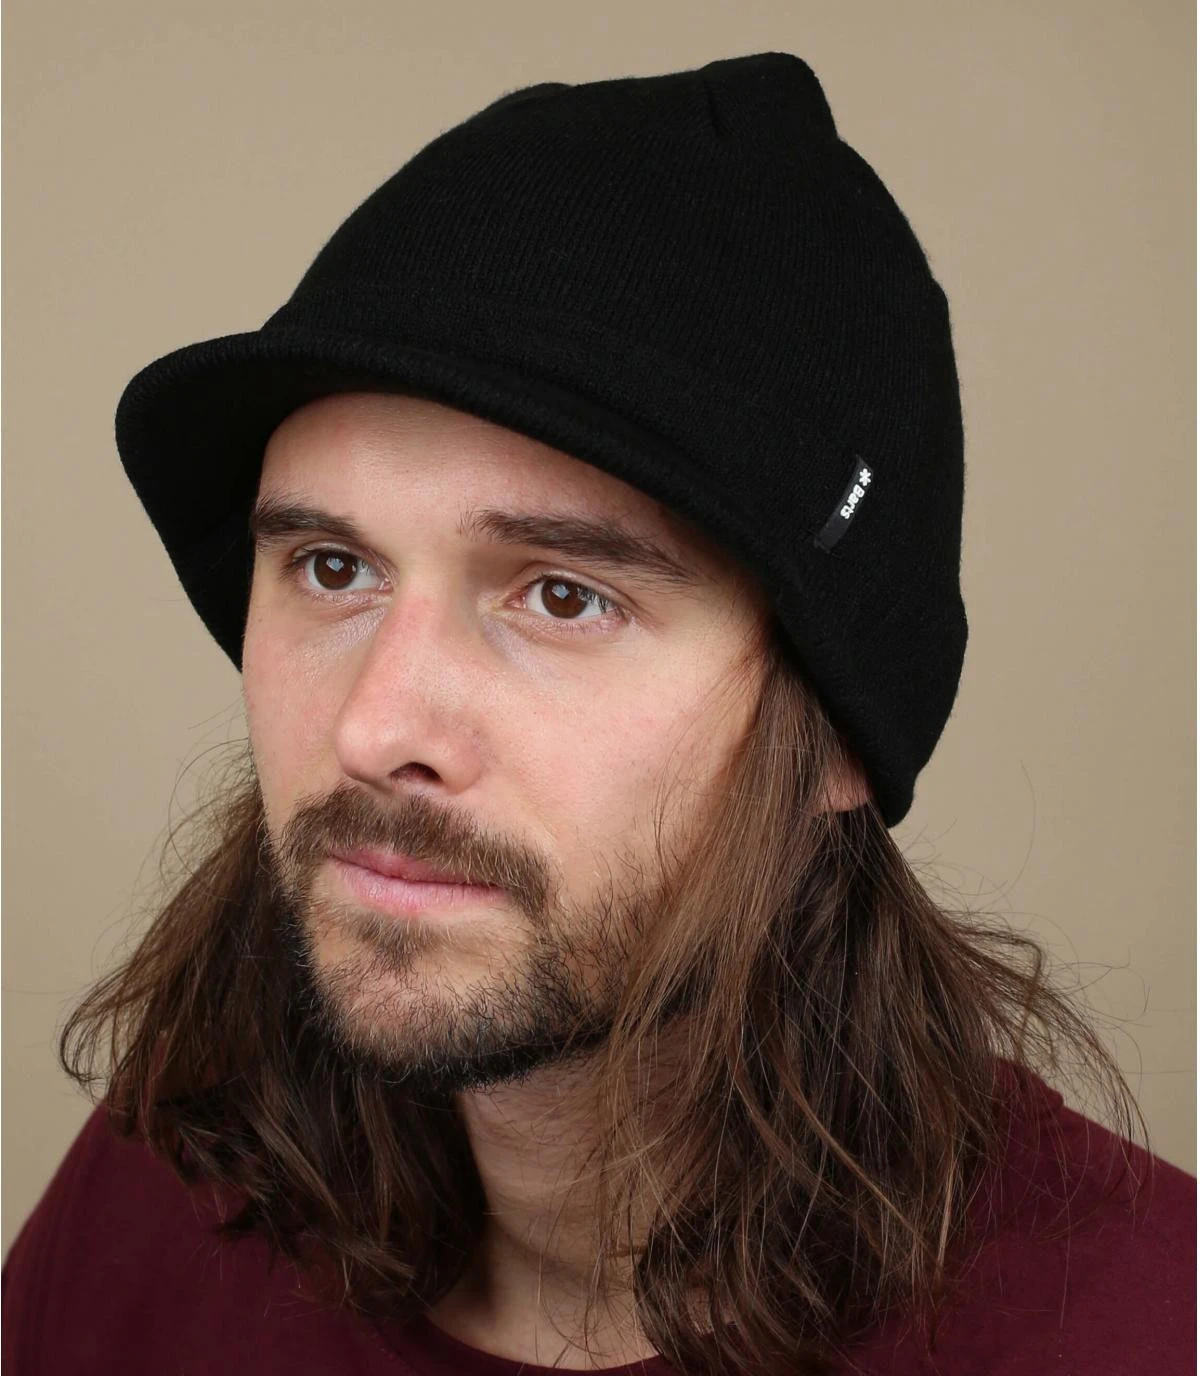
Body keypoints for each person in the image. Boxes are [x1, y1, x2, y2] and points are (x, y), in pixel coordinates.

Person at [2, 51, 1193, 1376]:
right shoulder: (159, 1209)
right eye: (332, 569)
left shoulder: (1139, 1330)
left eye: (563, 597)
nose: (375, 730)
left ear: (837, 734)